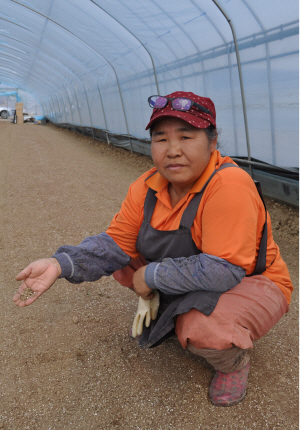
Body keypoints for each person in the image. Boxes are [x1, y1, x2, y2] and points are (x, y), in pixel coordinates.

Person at [13, 91, 293, 407]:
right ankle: (180, 306)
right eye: (160, 139)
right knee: (122, 258)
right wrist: (60, 264)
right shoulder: (146, 187)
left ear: (212, 142)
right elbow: (113, 244)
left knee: (199, 327)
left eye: (186, 136)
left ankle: (233, 361)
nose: (172, 150)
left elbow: (223, 270)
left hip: (254, 281)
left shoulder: (229, 186)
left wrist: (153, 274)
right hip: (205, 275)